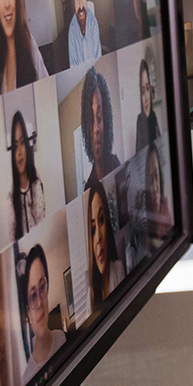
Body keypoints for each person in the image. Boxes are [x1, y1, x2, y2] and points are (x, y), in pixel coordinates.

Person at [21, 245, 64, 382]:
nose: (39, 303)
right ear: (28, 312)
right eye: (33, 295)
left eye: (42, 288)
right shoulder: (27, 379)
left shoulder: (65, 339)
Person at [87, 177, 125, 306]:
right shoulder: (90, 297)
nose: (98, 238)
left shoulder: (119, 269)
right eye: (92, 229)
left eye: (101, 220)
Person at [8, 111, 45, 239]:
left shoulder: (37, 186)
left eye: (22, 142)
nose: (19, 152)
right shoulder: (11, 199)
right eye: (15, 145)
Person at [81, 68, 120, 183]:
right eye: (91, 121)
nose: (96, 129)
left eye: (99, 118)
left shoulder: (116, 167)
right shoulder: (88, 186)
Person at [68, 0, 102, 66]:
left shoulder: (93, 23)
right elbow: (73, 69)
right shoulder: (72, 32)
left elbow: (99, 59)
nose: (81, 4)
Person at [135, 58, 160, 152]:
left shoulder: (153, 116)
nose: (146, 98)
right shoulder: (140, 121)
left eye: (148, 89)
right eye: (142, 91)